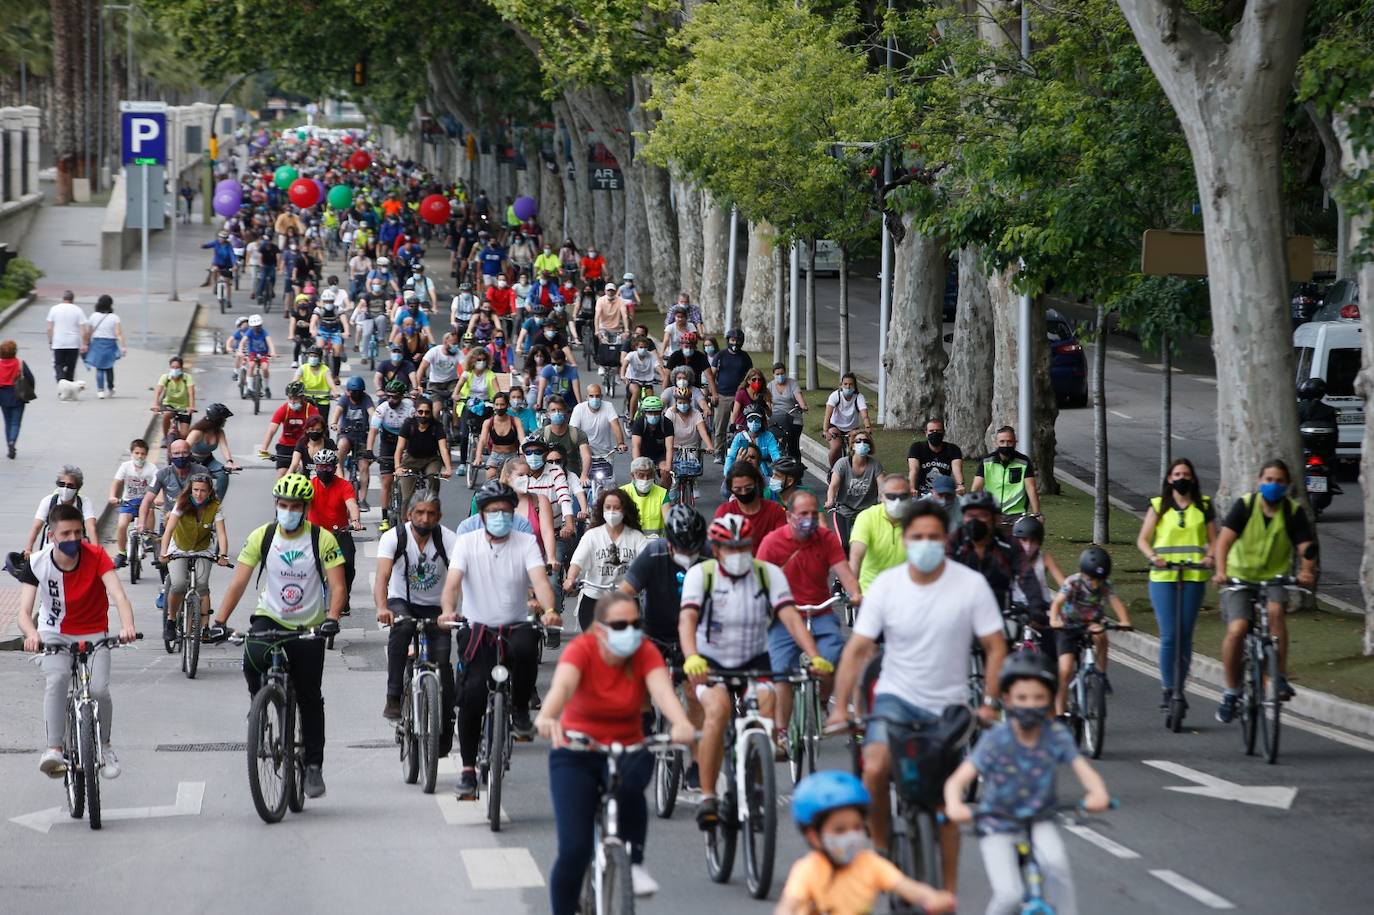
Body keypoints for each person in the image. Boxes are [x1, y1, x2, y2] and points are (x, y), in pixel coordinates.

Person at [828, 499, 1006, 888]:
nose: (925, 543)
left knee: (945, 804)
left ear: (946, 539)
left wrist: (991, 703)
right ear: (905, 540)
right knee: (874, 767)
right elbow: (858, 649)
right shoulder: (888, 587)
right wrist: (840, 706)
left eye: (934, 537)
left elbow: (995, 648)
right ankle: (880, 850)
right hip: (895, 699)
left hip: (948, 707)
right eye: (917, 536)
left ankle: (948, 890)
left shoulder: (970, 585)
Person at [536, 592, 697, 909]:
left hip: (627, 746)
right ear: (599, 630)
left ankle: (634, 863)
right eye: (621, 625)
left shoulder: (644, 652)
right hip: (576, 751)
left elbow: (662, 692)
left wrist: (680, 723)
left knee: (633, 786)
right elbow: (563, 687)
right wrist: (546, 716)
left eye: (636, 624)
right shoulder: (582, 650)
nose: (631, 631)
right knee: (574, 851)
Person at [680, 514, 830, 828]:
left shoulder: (768, 574)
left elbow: (790, 617)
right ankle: (708, 796)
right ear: (717, 549)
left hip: (755, 659)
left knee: (765, 712)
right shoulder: (701, 574)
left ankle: (758, 786)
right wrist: (691, 656)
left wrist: (813, 655)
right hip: (711, 663)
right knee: (718, 712)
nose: (738, 553)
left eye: (744, 546)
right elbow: (687, 622)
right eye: (730, 547)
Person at [207, 474, 347, 800]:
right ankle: (260, 701)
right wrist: (220, 620)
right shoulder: (264, 536)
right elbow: (239, 582)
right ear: (276, 505)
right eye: (282, 505)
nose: (288, 511)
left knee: (311, 697)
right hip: (270, 616)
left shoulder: (321, 539)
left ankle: (313, 766)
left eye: (295, 506)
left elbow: (337, 586)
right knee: (250, 658)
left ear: (305, 508)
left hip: (308, 625)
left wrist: (332, 618)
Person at [944, 652, 1110, 915]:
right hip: (996, 823)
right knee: (1009, 894)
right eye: (1022, 698)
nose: (1030, 705)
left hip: (1039, 819)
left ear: (1049, 701)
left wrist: (1098, 792)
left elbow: (1084, 770)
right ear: (1007, 699)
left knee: (1057, 867)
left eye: (1038, 698)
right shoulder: (996, 738)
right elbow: (957, 781)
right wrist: (955, 805)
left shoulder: (1055, 736)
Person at [440, 481, 560, 800]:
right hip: (478, 628)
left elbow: (540, 581)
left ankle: (520, 710)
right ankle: (467, 770)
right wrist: (448, 611)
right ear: (482, 515)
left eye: (506, 512)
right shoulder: (467, 543)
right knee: (472, 696)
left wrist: (549, 609)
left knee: (526, 644)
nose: (500, 517)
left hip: (515, 623)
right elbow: (452, 584)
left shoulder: (525, 543)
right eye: (494, 512)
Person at [16, 503, 138, 778]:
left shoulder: (96, 556)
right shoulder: (37, 563)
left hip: (95, 632)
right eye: (66, 533)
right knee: (57, 678)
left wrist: (128, 626)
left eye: (78, 533)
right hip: (54, 632)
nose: (74, 539)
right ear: (52, 536)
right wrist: (32, 634)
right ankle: (54, 749)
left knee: (98, 691)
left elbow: (119, 596)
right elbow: (23, 613)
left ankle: (105, 746)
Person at [757, 489, 862, 751]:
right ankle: (781, 731)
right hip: (784, 617)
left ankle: (824, 701)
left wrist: (855, 594)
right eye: (803, 514)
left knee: (832, 658)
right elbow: (758, 579)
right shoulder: (772, 542)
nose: (809, 519)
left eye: (813, 513)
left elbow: (843, 571)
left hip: (820, 611)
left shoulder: (825, 538)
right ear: (790, 516)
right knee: (781, 673)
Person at [1212, 459, 1317, 719]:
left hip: (1274, 578)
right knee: (1237, 629)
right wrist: (1221, 572)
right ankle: (1231, 691)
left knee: (1276, 612)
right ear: (1259, 482)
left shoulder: (1293, 512)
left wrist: (1306, 571)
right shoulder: (1245, 506)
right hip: (1239, 577)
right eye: (1268, 480)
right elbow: (1223, 542)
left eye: (1279, 481)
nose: (1273, 485)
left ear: (1287, 485)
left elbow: (1306, 546)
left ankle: (1279, 676)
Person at [778, 771, 957, 915]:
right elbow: (789, 904)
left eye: (857, 827)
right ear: (813, 836)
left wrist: (932, 897)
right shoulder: (808, 870)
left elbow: (907, 887)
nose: (851, 836)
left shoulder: (870, 864)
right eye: (840, 830)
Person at [375, 489, 459, 757]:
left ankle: (444, 728)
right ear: (409, 514)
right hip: (403, 601)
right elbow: (382, 578)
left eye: (431, 513)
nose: (425, 518)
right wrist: (382, 607)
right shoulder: (394, 538)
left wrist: (450, 612)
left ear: (439, 516)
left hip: (438, 606)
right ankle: (394, 696)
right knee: (402, 629)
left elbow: (456, 581)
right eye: (419, 513)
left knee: (443, 667)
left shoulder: (449, 540)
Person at [1136, 458, 1216, 709]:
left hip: (1193, 576)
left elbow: (1215, 540)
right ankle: (1168, 688)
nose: (1181, 477)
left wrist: (1210, 557)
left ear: (1192, 478)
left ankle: (1180, 688)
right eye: (1177, 473)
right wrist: (1154, 558)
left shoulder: (1204, 506)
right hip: (1163, 578)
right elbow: (1143, 540)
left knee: (1185, 636)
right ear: (1169, 479)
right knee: (1169, 636)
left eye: (1186, 473)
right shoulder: (1158, 505)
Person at [1047, 547, 1132, 717]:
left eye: (1099, 580)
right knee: (1065, 671)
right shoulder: (1073, 583)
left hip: (1091, 623)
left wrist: (1124, 621)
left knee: (1101, 635)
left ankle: (1101, 674)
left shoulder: (1105, 585)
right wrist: (1054, 620)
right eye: (1091, 579)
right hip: (1068, 626)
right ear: (1082, 573)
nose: (1095, 584)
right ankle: (1059, 713)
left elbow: (1115, 602)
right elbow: (1057, 604)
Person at [158, 472, 230, 643]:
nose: (199, 494)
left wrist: (223, 555)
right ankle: (171, 620)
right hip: (179, 548)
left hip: (203, 549)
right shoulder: (181, 504)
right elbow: (168, 530)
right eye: (195, 490)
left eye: (203, 491)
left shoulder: (215, 507)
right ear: (190, 490)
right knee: (178, 585)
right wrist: (164, 552)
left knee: (202, 585)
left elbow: (221, 534)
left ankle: (204, 628)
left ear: (210, 491)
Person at [565, 489, 649, 632]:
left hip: (626, 600)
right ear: (601, 509)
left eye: (617, 508)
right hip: (593, 600)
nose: (612, 511)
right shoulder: (592, 536)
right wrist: (570, 578)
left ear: (625, 510)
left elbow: (647, 562)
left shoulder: (636, 537)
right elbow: (577, 562)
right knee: (593, 642)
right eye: (608, 507)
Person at [308, 448, 364, 614]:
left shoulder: (344, 485)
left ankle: (344, 599)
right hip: (315, 534)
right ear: (315, 468)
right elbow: (303, 506)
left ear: (334, 467)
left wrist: (355, 521)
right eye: (320, 467)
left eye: (328, 467)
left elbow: (352, 505)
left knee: (348, 564)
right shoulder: (310, 485)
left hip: (340, 533)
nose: (324, 470)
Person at [847, 473, 910, 591]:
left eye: (903, 496)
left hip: (907, 595)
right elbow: (856, 556)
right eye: (891, 496)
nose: (897, 501)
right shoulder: (867, 517)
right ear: (881, 497)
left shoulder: (918, 519)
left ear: (910, 496)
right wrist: (853, 591)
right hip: (871, 594)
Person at [368, 379, 416, 532]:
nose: (391, 400)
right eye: (388, 396)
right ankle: (384, 517)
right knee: (386, 481)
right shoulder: (382, 408)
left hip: (406, 443)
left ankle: (408, 511)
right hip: (388, 445)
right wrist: (369, 450)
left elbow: (416, 431)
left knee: (407, 480)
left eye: (395, 397)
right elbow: (373, 431)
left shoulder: (410, 408)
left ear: (402, 396)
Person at [25, 465, 100, 555]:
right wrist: (28, 549)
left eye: (70, 486)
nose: (65, 488)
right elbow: (36, 527)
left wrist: (97, 551)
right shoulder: (48, 501)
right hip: (51, 549)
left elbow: (91, 527)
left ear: (77, 488)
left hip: (76, 549)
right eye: (62, 484)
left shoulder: (84, 502)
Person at [395, 395, 454, 510]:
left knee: (433, 477)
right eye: (420, 412)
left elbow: (443, 448)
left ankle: (433, 506)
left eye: (427, 412)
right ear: (415, 412)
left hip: (430, 460)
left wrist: (448, 468)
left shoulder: (437, 426)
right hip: (410, 460)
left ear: (431, 413)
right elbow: (400, 448)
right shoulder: (409, 424)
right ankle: (404, 523)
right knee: (407, 498)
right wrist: (398, 467)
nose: (423, 415)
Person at [825, 430, 882, 548]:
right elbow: (834, 485)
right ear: (853, 445)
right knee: (844, 545)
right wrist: (830, 500)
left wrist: (885, 502)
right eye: (858, 441)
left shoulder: (875, 465)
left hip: (867, 512)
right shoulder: (842, 463)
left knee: (867, 545)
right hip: (844, 510)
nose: (862, 443)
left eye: (866, 441)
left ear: (870, 446)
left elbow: (882, 487)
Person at [972, 426, 1042, 519]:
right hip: (991, 513)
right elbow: (976, 487)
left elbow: (1031, 488)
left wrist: (1037, 514)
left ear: (1015, 443)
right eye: (1002, 441)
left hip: (1017, 515)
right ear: (996, 443)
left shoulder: (1024, 462)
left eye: (1009, 442)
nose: (1006, 445)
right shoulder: (986, 462)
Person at [109, 439, 157, 569]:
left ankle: (148, 537)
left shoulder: (152, 468)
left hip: (145, 501)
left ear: (146, 455)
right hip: (128, 501)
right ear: (131, 453)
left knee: (151, 510)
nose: (139, 456)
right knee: (121, 525)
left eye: (142, 453)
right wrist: (112, 496)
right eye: (136, 453)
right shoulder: (125, 466)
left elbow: (160, 485)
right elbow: (117, 481)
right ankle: (121, 553)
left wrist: (159, 498)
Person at [716, 463, 788, 550]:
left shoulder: (775, 510)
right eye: (738, 489)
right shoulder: (724, 511)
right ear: (731, 489)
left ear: (757, 484)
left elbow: (782, 543)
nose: (743, 493)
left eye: (748, 488)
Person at [260, 381, 320, 478]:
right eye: (290, 398)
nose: (292, 402)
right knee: (281, 474)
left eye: (295, 399)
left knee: (303, 472)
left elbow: (318, 432)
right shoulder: (284, 409)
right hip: (285, 446)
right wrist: (264, 448)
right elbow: (271, 430)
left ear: (302, 398)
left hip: (305, 446)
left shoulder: (311, 410)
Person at [331, 377, 375, 510]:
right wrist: (334, 423)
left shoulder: (366, 399)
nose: (354, 395)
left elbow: (372, 413)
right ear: (348, 391)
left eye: (358, 392)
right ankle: (342, 483)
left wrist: (375, 424)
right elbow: (338, 411)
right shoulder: (344, 398)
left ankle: (362, 500)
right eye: (352, 392)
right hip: (346, 434)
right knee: (340, 449)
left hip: (362, 436)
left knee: (364, 466)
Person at [185, 402, 240, 502]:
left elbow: (224, 448)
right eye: (224, 419)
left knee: (223, 474)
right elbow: (185, 448)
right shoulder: (197, 432)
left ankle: (216, 504)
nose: (225, 421)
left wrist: (229, 462)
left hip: (208, 460)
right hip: (193, 461)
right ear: (218, 420)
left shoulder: (219, 432)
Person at [712, 329, 753, 462]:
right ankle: (718, 452)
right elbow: (711, 375)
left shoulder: (745, 357)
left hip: (740, 396)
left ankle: (741, 451)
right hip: (722, 395)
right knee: (720, 426)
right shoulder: (720, 355)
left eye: (738, 340)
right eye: (733, 340)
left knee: (740, 425)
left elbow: (750, 376)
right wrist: (712, 393)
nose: (735, 343)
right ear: (728, 340)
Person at [822, 373, 872, 469]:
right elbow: (827, 415)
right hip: (835, 426)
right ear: (841, 385)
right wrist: (825, 431)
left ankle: (855, 469)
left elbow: (864, 415)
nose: (848, 387)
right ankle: (833, 470)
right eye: (845, 384)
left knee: (855, 449)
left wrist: (867, 427)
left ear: (854, 386)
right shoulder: (835, 396)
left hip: (852, 428)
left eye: (850, 384)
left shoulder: (859, 397)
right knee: (836, 447)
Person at [82, 295, 126, 399]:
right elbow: (118, 333)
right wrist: (123, 346)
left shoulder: (93, 316)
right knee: (109, 367)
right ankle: (110, 388)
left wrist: (85, 344)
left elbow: (88, 332)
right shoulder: (115, 317)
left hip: (97, 343)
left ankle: (100, 390)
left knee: (99, 368)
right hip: (110, 344)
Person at [724, 405, 782, 483]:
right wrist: (728, 474)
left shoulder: (768, 436)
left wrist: (780, 471)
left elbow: (775, 454)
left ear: (762, 421)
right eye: (750, 420)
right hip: (743, 473)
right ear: (746, 421)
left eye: (757, 420)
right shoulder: (740, 437)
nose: (754, 422)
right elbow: (731, 457)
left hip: (764, 474)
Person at [474, 390, 525, 480]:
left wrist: (523, 454)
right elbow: (482, 441)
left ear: (507, 405)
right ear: (493, 406)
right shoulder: (488, 422)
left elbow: (522, 440)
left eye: (502, 404)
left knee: (515, 481)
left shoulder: (515, 421)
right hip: (495, 456)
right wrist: (478, 457)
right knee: (490, 478)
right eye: (497, 404)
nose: (499, 407)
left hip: (512, 456)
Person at [907, 418, 964, 497]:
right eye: (931, 431)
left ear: (943, 433)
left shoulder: (953, 449)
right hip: (921, 492)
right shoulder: (917, 448)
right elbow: (913, 469)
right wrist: (911, 487)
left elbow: (957, 469)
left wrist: (960, 485)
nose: (935, 433)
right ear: (926, 433)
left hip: (944, 492)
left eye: (938, 431)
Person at [0, 338, 36, 459]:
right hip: (18, 394)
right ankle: (12, 442)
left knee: (7, 421)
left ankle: (8, 443)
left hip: (3, 395)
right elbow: (31, 378)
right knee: (16, 422)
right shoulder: (20, 363)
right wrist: (30, 390)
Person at [569, 383, 627, 458]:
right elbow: (573, 431)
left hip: (605, 454)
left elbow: (615, 425)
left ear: (601, 397)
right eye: (591, 396)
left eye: (597, 396)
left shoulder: (608, 406)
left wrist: (620, 443)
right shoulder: (579, 409)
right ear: (587, 397)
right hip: (584, 453)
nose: (594, 399)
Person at [629, 395, 675, 487]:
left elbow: (670, 447)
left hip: (661, 455)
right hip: (643, 454)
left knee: (666, 474)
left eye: (656, 413)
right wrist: (637, 465)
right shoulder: (639, 423)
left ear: (661, 412)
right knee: (638, 475)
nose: (653, 415)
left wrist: (668, 467)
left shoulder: (667, 423)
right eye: (650, 413)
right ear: (644, 413)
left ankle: (662, 496)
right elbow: (636, 446)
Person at [621, 456, 670, 538]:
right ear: (633, 476)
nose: (645, 479)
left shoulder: (662, 493)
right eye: (641, 475)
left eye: (649, 475)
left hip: (655, 545)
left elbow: (669, 519)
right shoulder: (622, 493)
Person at [152, 356, 196, 443]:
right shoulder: (165, 378)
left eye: (177, 367)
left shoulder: (187, 378)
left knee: (184, 435)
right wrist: (156, 405)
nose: (175, 370)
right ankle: (165, 437)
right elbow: (158, 392)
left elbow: (191, 394)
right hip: (169, 404)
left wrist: (191, 407)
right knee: (167, 415)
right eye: (172, 367)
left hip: (184, 407)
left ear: (182, 368)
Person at [767, 362, 807, 457]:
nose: (780, 376)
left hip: (792, 417)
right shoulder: (770, 386)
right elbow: (768, 403)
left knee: (793, 445)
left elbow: (799, 396)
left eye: (782, 374)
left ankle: (796, 463)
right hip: (776, 419)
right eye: (777, 374)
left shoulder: (792, 383)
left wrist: (803, 406)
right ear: (773, 375)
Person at [620, 333, 661, 419]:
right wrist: (623, 376)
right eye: (641, 347)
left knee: (650, 396)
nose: (643, 349)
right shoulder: (631, 355)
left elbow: (657, 367)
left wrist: (663, 376)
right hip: (633, 380)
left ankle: (650, 416)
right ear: (635, 347)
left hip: (647, 381)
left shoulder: (651, 356)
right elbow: (624, 365)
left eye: (645, 347)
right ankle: (631, 417)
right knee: (636, 392)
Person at [237, 313, 276, 397]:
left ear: (261, 325)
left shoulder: (264, 332)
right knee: (251, 366)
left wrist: (273, 352)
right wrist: (240, 351)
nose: (256, 328)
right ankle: (250, 389)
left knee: (265, 368)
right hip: (253, 353)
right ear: (251, 326)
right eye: (254, 326)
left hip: (263, 353)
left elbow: (270, 342)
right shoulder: (249, 332)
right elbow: (242, 342)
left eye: (258, 326)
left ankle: (266, 387)